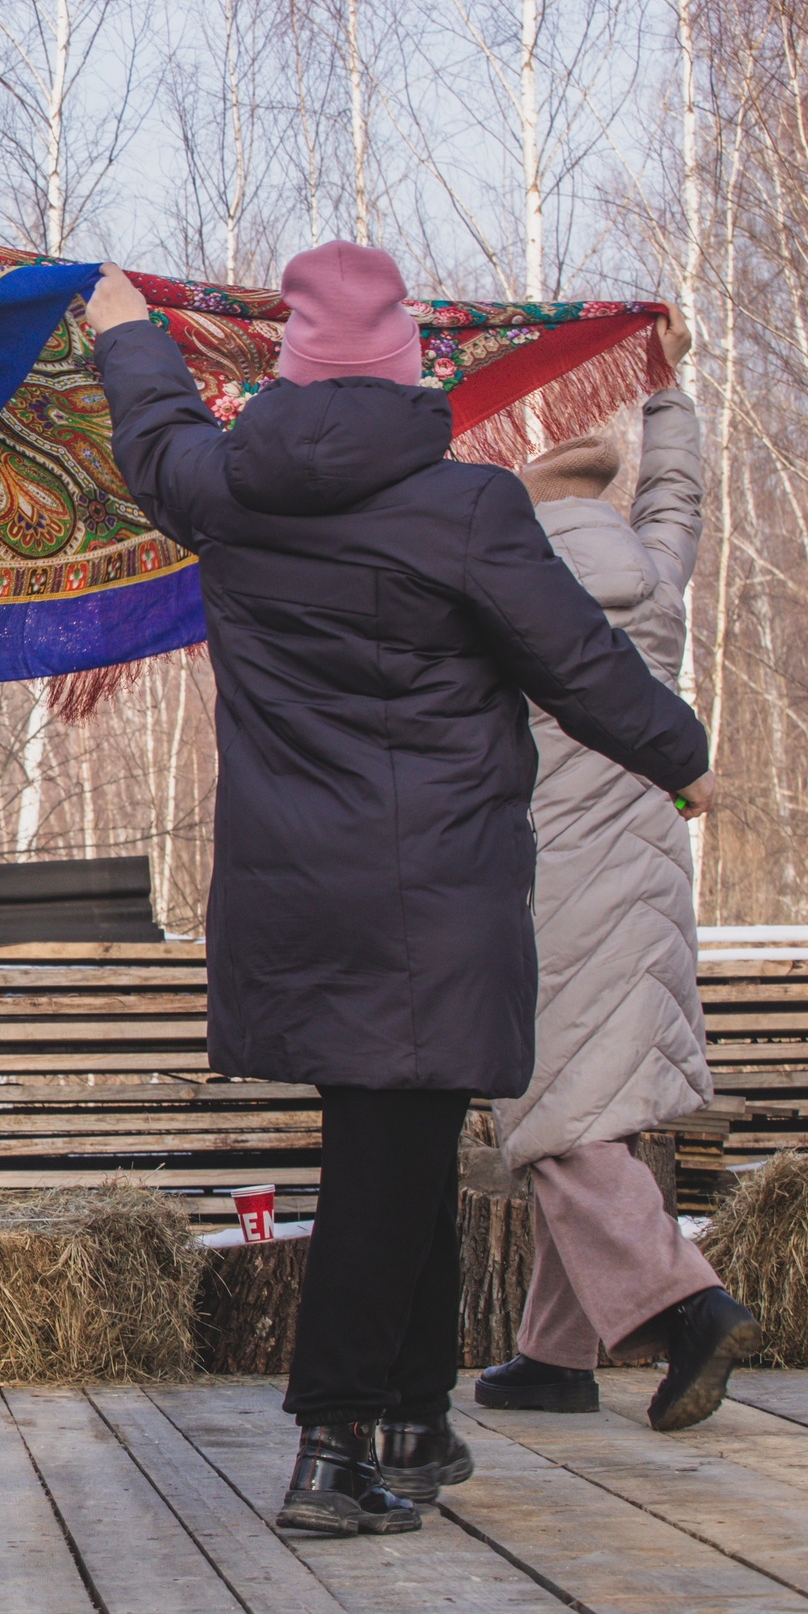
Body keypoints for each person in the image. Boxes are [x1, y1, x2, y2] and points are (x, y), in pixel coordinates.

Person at [84, 245, 713, 1538]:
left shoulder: (227, 488)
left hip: (301, 902)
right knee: (383, 1167)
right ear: (410, 359)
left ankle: (413, 1424)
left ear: (291, 362)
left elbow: (153, 439)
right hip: (435, 900)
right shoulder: (468, 509)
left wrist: (128, 333)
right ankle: (336, 1437)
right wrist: (682, 758)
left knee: (408, 1155)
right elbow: (580, 664)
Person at [477, 306, 761, 1430]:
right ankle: (553, 1355)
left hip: (556, 868)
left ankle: (682, 1302)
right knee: (587, 1099)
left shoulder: (508, 583)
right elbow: (677, 495)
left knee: (551, 1104)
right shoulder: (648, 569)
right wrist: (666, 387)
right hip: (651, 862)